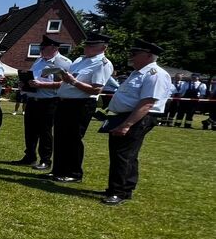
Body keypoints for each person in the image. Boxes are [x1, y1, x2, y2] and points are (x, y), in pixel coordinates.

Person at [101, 40, 173, 205]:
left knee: (123, 155)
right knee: (123, 154)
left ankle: (118, 192)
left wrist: (127, 125)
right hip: (124, 116)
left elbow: (147, 103)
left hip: (137, 117)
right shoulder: (137, 73)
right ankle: (123, 188)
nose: (131, 57)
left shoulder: (155, 74)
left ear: (148, 56)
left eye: (135, 54)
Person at [49, 32, 114, 182]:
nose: (87, 47)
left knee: (73, 138)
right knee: (60, 137)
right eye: (87, 45)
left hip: (81, 104)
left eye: (92, 45)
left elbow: (96, 89)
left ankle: (73, 173)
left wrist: (73, 82)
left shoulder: (103, 64)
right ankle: (58, 170)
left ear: (103, 48)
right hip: (65, 102)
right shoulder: (80, 60)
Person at [12, 35, 72, 171]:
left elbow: (65, 84)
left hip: (50, 102)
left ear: (54, 48)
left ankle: (45, 160)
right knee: (30, 131)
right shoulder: (39, 61)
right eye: (41, 47)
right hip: (33, 100)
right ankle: (29, 156)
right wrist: (24, 84)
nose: (41, 50)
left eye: (43, 47)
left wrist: (42, 85)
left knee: (45, 132)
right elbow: (34, 77)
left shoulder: (63, 63)